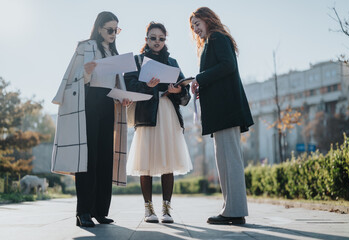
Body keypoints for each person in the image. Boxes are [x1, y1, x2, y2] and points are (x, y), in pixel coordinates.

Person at [51, 11, 131, 227]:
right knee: (88, 159)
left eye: (116, 29)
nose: (114, 33)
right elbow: (71, 78)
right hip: (88, 103)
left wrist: (124, 97)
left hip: (108, 104)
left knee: (106, 157)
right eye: (110, 29)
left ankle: (100, 211)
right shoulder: (85, 47)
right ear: (99, 28)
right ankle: (83, 212)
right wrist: (86, 73)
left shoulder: (113, 51)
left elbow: (116, 83)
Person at [189, 7, 254, 225]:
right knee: (225, 162)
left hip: (226, 111)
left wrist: (199, 78)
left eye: (197, 23)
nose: (196, 29)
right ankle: (231, 209)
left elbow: (228, 66)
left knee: (230, 161)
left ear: (208, 19)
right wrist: (201, 83)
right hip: (222, 112)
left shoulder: (217, 37)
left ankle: (234, 211)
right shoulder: (212, 40)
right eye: (193, 26)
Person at [124, 22, 193, 224]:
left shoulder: (172, 62)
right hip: (146, 115)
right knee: (145, 163)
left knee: (168, 161)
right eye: (153, 38)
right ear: (146, 39)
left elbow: (185, 94)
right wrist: (147, 85)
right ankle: (148, 209)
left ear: (165, 41)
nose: (157, 42)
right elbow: (129, 87)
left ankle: (167, 209)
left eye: (161, 39)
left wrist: (178, 90)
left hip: (167, 114)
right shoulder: (136, 61)